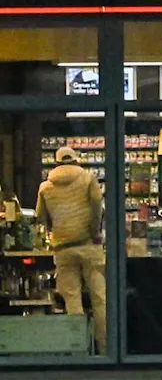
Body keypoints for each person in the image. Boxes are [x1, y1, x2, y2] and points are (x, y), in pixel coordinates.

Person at [36, 145, 105, 352]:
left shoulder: (45, 187)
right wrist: (95, 230)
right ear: (75, 160)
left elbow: (40, 216)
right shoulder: (88, 179)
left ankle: (79, 350)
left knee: (72, 300)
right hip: (89, 245)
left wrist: (53, 229)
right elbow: (97, 204)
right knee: (100, 299)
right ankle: (105, 348)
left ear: (56, 163)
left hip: (63, 247)